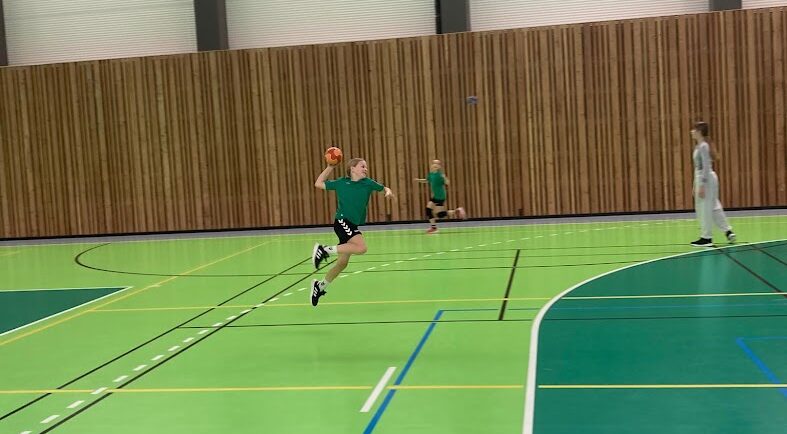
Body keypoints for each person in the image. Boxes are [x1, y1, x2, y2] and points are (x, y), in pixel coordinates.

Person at [310, 157, 394, 306]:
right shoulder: (341, 183)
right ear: (352, 168)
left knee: (342, 264)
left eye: (366, 167)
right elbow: (318, 183)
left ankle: (319, 286)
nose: (365, 169)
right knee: (361, 248)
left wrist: (388, 192)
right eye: (362, 166)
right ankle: (323, 250)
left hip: (352, 225)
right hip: (342, 221)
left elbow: (384, 188)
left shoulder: (368, 183)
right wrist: (330, 167)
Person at [690, 121, 735, 247]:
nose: (691, 132)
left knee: (704, 208)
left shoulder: (703, 146)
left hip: (706, 178)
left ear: (699, 132)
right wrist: (695, 185)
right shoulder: (700, 146)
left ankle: (707, 238)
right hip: (705, 178)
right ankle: (728, 231)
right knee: (714, 206)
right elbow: (698, 168)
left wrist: (702, 185)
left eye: (694, 129)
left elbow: (705, 166)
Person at [414, 159, 465, 234]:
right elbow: (427, 180)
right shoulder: (431, 174)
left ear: (439, 166)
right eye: (434, 163)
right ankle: (434, 227)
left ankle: (456, 211)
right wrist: (418, 180)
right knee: (428, 210)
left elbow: (447, 183)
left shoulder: (440, 175)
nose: (435, 165)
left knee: (440, 214)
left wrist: (444, 177)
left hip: (440, 196)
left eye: (437, 164)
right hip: (434, 196)